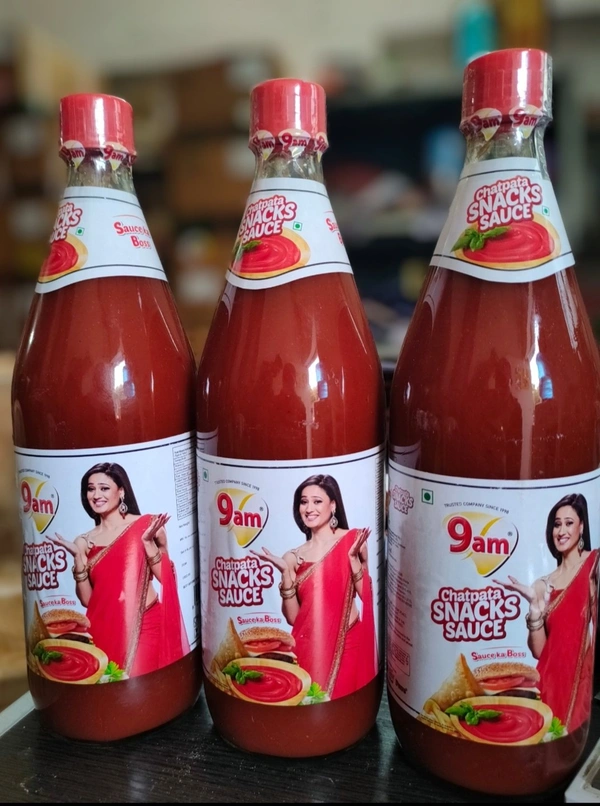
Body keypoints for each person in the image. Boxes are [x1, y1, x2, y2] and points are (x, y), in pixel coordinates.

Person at [51, 462, 190, 678]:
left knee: (141, 683)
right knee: (108, 684)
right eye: (91, 489)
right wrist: (78, 559)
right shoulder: (84, 542)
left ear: (121, 491)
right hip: (104, 629)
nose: (96, 495)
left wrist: (152, 544)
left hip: (147, 623)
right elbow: (88, 601)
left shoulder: (146, 525)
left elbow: (168, 580)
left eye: (104, 488)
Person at [251, 474, 378, 700]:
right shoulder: (293, 557)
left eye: (317, 501)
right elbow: (294, 618)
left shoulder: (353, 540)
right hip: (309, 648)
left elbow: (366, 595)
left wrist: (354, 560)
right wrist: (285, 574)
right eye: (304, 502)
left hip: (349, 643)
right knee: (310, 701)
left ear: (333, 505)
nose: (309, 508)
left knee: (343, 703)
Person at [494, 493, 598, 732]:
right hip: (548, 683)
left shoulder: (594, 562)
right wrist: (534, 609)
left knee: (569, 737)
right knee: (544, 738)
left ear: (582, 527)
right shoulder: (542, 585)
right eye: (557, 524)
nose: (561, 531)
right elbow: (540, 651)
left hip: (579, 680)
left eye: (569, 523)